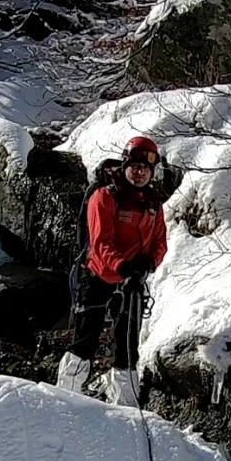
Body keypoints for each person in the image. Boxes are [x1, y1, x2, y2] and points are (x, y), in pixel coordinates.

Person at [56, 136, 168, 407]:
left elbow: (160, 242)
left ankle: (126, 405)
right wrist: (124, 267)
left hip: (132, 283)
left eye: (146, 168)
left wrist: (147, 265)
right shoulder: (105, 196)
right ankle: (63, 399)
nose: (140, 172)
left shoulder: (153, 203)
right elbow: (100, 240)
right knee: (85, 341)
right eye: (135, 166)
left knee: (128, 347)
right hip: (99, 275)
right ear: (125, 165)